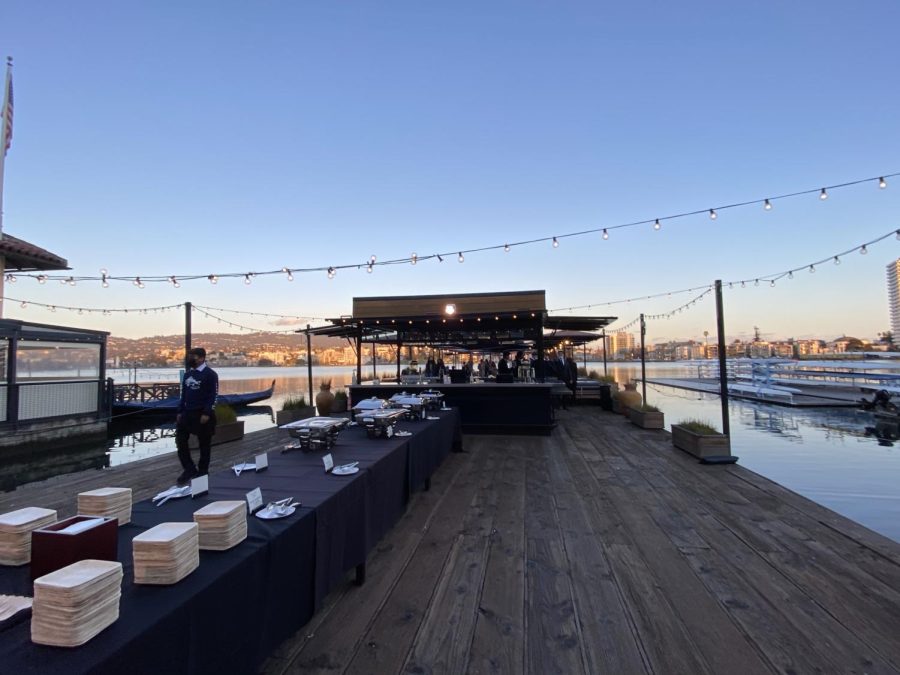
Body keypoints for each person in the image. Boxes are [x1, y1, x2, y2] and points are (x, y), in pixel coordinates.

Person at [175, 347, 219, 485]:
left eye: (192, 356)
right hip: (187, 413)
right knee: (180, 441)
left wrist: (207, 412)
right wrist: (180, 411)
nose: (189, 359)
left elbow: (213, 395)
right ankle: (189, 469)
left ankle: (203, 471)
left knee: (204, 444)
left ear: (201, 358)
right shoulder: (188, 375)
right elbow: (184, 395)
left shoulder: (210, 374)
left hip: (202, 414)